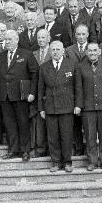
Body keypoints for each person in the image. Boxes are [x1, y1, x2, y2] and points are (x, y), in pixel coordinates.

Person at [0, 30, 39, 162]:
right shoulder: (1, 56)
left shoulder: (27, 54)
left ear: (16, 40)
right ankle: (13, 149)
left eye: (10, 39)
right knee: (9, 124)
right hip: (5, 96)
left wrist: (32, 92)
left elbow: (35, 74)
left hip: (21, 96)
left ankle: (25, 150)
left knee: (23, 123)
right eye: (6, 39)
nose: (7, 42)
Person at [75, 42, 102, 171]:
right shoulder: (80, 67)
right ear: (87, 53)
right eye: (90, 51)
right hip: (88, 108)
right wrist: (78, 106)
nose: (92, 53)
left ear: (99, 52)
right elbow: (79, 89)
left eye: (95, 50)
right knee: (90, 136)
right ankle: (92, 162)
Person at [38, 40, 77, 173]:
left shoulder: (71, 65)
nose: (55, 52)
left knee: (66, 136)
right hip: (50, 107)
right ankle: (55, 162)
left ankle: (67, 162)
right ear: (50, 51)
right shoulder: (44, 67)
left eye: (58, 49)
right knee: (53, 137)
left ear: (63, 51)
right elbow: (40, 90)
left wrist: (78, 105)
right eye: (53, 50)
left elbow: (77, 87)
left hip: (67, 107)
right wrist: (41, 108)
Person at [65, 24, 90, 156]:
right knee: (75, 121)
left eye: (83, 34)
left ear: (87, 35)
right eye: (78, 34)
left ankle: (89, 148)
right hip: (73, 88)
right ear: (75, 36)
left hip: (89, 89)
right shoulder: (69, 50)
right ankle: (79, 147)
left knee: (88, 121)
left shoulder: (93, 49)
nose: (81, 37)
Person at [30, 29, 51, 158]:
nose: (41, 40)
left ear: (49, 38)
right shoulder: (33, 54)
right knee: (39, 123)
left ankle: (51, 148)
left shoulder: (55, 52)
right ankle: (40, 147)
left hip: (51, 93)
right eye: (39, 38)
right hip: (38, 94)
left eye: (43, 37)